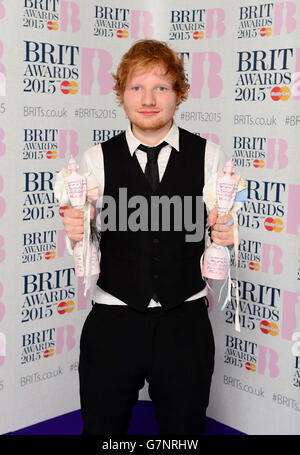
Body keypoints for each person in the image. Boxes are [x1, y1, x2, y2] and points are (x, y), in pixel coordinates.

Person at [62, 39, 235, 435]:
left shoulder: (210, 156)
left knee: (185, 433)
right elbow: (84, 244)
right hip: (113, 322)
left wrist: (225, 236)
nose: (148, 99)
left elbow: (221, 234)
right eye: (137, 87)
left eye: (161, 87)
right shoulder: (93, 160)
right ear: (122, 94)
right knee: (102, 431)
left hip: (185, 322)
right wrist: (77, 232)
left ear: (179, 94)